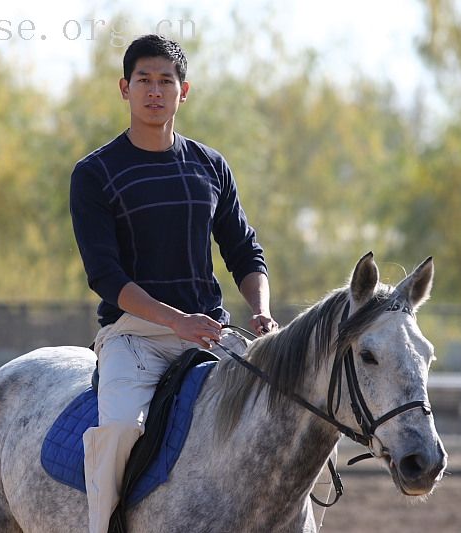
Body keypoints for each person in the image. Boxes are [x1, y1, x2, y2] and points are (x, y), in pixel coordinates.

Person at [69, 34, 278, 532]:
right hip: (134, 338)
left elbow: (244, 249)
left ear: (185, 91)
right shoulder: (95, 174)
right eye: (144, 79)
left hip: (211, 336)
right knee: (119, 430)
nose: (155, 90)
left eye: (166, 81)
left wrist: (261, 309)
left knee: (282, 412)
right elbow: (106, 277)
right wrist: (175, 321)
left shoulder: (210, 166)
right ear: (125, 88)